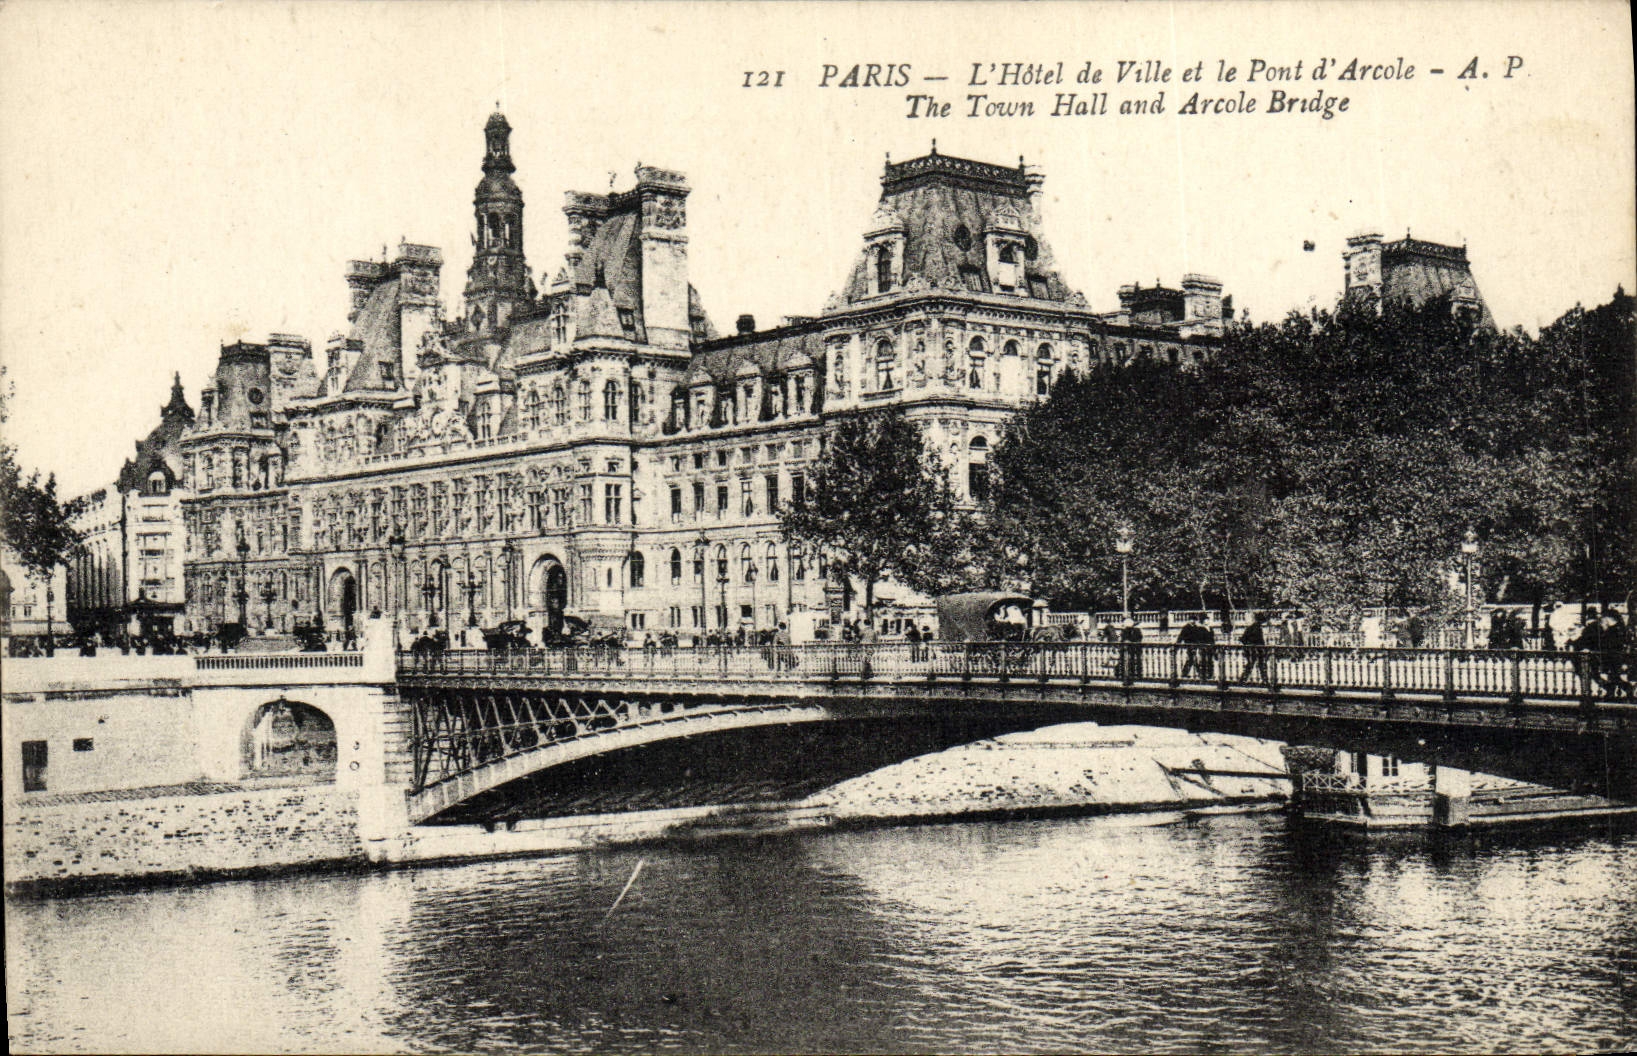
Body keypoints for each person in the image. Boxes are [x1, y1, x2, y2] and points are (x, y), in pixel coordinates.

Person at [1240, 612, 1270, 683]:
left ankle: (1243, 680)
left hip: (1253, 650)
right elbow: (1259, 641)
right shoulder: (1257, 628)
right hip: (1256, 650)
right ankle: (1265, 680)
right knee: (1260, 665)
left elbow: (1243, 639)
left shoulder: (1251, 627)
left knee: (1251, 665)